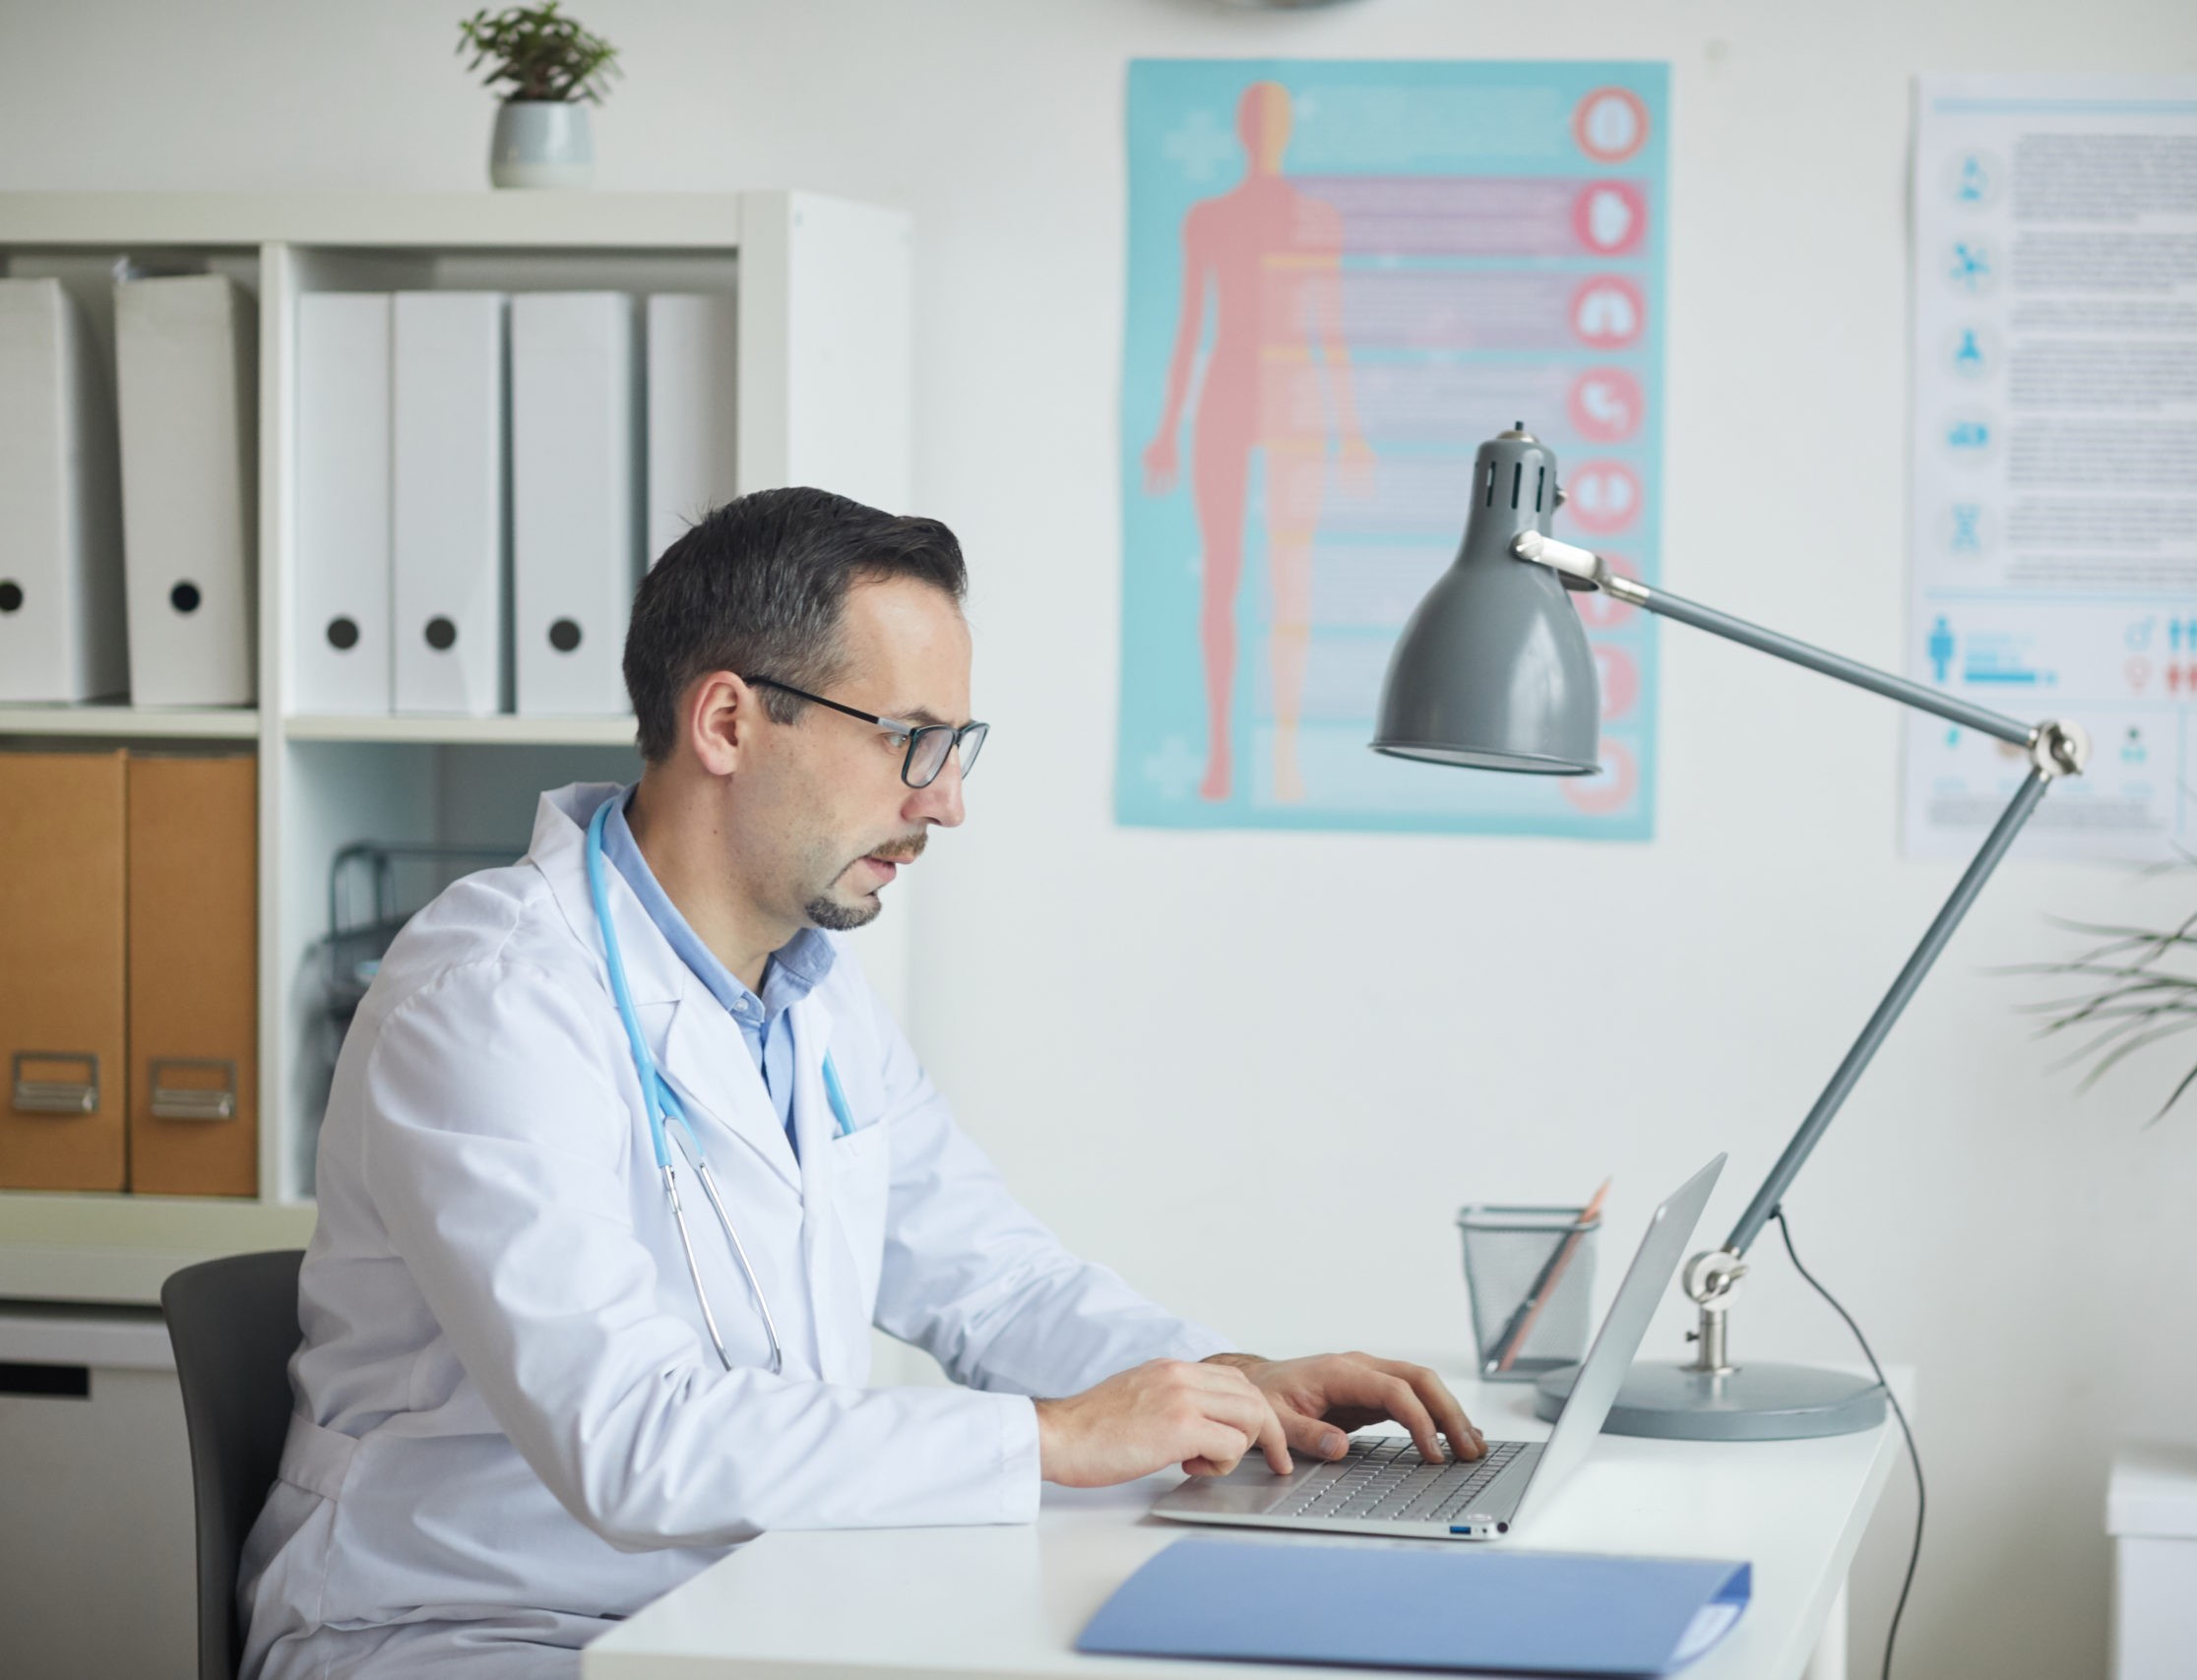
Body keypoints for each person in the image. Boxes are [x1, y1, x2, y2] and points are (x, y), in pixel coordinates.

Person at [237, 488, 1482, 1679]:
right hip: (472, 1627)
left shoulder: (809, 989)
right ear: (726, 722)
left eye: (953, 746)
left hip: (744, 1605)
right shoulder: (492, 993)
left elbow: (993, 1282)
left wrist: (1226, 1383)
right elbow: (628, 1439)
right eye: (908, 741)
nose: (943, 801)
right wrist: (1052, 1439)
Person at [1141, 80, 1370, 805]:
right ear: (1245, 129)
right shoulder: (1209, 219)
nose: (1266, 130)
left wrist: (1351, 431)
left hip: (1294, 407)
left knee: (1290, 587)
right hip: (1228, 406)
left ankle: (1286, 755)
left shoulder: (1317, 220)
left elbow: (1330, 332)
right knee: (1224, 583)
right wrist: (1166, 432)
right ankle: (1222, 753)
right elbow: (1189, 328)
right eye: (1257, 119)